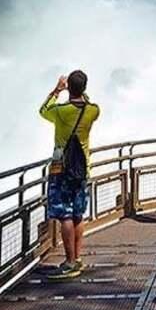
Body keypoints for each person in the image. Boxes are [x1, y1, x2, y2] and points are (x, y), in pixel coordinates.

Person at [39, 70, 100, 279]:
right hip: (83, 169)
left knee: (65, 214)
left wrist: (57, 90)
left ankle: (70, 261)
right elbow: (88, 101)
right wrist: (79, 91)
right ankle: (77, 257)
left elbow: (43, 110)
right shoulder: (93, 110)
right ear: (84, 88)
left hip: (62, 170)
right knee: (77, 214)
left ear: (69, 88)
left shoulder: (61, 111)